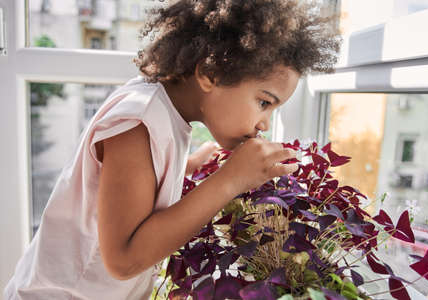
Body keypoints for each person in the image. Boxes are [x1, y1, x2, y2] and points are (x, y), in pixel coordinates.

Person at [4, 0, 340, 299]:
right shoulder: (137, 123)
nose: (264, 123)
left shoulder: (163, 110)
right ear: (211, 72)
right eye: (264, 102)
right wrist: (229, 180)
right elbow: (123, 260)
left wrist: (188, 166)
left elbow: (132, 184)